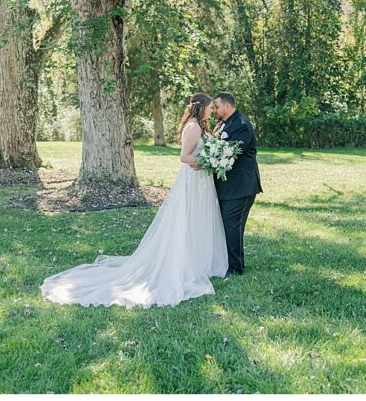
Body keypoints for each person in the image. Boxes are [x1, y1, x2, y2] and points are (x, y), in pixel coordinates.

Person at [40, 93, 227, 308]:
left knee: (199, 221)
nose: (212, 111)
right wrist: (207, 161)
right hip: (193, 182)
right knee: (189, 221)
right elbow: (184, 157)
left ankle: (200, 263)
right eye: (210, 108)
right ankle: (187, 265)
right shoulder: (193, 127)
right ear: (201, 107)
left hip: (202, 183)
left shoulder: (200, 126)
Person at [211, 92, 262, 274]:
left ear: (227, 106)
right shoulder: (226, 124)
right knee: (228, 225)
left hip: (241, 187)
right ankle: (228, 263)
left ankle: (235, 267)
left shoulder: (241, 126)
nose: (214, 110)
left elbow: (229, 153)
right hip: (228, 187)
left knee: (232, 226)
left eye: (216, 107)